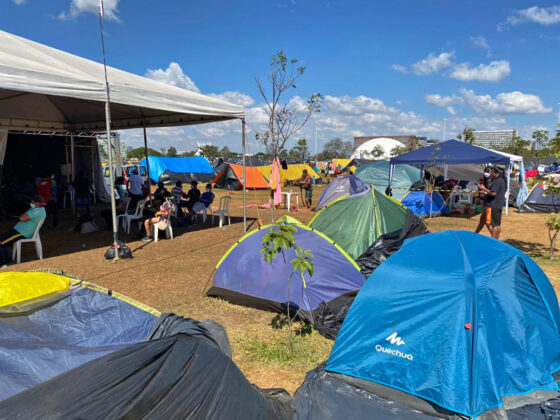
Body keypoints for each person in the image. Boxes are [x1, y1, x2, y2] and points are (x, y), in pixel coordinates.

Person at [478, 167, 506, 239]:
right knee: (497, 225)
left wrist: (484, 189)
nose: (491, 173)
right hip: (498, 204)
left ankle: (493, 241)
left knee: (494, 226)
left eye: (493, 172)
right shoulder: (502, 180)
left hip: (493, 205)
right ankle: (497, 241)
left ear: (497, 173)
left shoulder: (497, 181)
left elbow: (493, 193)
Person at [475, 167, 492, 235]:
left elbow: (491, 192)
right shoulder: (485, 179)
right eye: (485, 171)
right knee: (482, 219)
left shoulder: (491, 180)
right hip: (484, 200)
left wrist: (484, 190)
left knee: (486, 220)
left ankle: (493, 235)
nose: (486, 173)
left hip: (489, 201)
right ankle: (476, 234)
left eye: (488, 172)